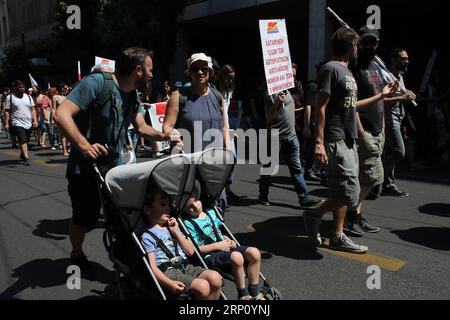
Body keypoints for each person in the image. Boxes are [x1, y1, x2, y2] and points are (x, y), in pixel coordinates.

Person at [53, 47, 179, 277]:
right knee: (84, 218)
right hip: (85, 168)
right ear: (138, 70)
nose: (152, 75)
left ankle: (127, 263)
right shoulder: (97, 84)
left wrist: (162, 136)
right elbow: (61, 114)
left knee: (123, 218)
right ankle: (77, 253)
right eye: (150, 70)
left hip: (115, 169)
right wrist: (84, 146)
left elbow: (141, 127)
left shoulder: (132, 95)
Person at [303, 27, 368, 253]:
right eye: (357, 44)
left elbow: (351, 106)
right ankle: (315, 213)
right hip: (336, 137)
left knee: (340, 190)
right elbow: (321, 107)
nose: (358, 48)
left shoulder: (348, 72)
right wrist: (319, 142)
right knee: (349, 193)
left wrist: (383, 96)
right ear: (352, 46)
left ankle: (337, 235)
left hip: (348, 139)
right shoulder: (331, 69)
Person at [344, 26, 399, 236]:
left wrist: (383, 126)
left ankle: (356, 215)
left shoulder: (377, 67)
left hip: (378, 130)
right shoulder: (355, 68)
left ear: (377, 44)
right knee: (372, 178)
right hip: (364, 131)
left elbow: (380, 99)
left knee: (365, 178)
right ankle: (349, 216)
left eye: (372, 43)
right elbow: (352, 103)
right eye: (364, 43)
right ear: (357, 44)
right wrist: (361, 132)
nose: (369, 46)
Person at [183, 184, 264, 300]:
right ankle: (243, 294)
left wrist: (228, 239)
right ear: (184, 209)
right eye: (190, 206)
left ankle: (254, 291)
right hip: (210, 255)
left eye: (196, 201)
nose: (195, 206)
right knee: (236, 256)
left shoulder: (210, 212)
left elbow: (219, 231)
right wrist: (218, 245)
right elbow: (195, 249)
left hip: (225, 247)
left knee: (254, 252)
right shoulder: (188, 223)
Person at [141, 189, 222, 300]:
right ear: (147, 210)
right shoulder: (148, 236)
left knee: (216, 278)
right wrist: (169, 283)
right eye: (162, 204)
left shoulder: (174, 227)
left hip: (186, 266)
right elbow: (153, 267)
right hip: (169, 271)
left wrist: (176, 232)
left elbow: (190, 252)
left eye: (168, 204)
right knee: (203, 287)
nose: (168, 208)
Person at [257, 86, 323, 209]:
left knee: (296, 169)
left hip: (291, 136)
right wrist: (277, 103)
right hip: (276, 137)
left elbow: (286, 111)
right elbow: (269, 118)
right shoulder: (270, 94)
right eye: (291, 75)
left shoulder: (288, 92)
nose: (292, 77)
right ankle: (263, 195)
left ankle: (304, 198)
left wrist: (297, 118)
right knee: (269, 168)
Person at [381, 48, 416, 197]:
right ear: (393, 60)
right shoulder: (385, 76)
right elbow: (380, 99)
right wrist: (402, 98)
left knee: (390, 151)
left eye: (407, 58)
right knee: (398, 151)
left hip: (399, 118)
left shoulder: (399, 76)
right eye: (403, 58)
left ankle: (388, 184)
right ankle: (377, 176)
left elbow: (401, 93)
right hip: (389, 119)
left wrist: (409, 93)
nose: (406, 61)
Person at [4, 80, 38, 166]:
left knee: (26, 140)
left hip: (28, 122)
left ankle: (23, 154)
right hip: (17, 122)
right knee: (22, 139)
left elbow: (33, 109)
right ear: (15, 88)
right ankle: (26, 158)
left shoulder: (28, 97)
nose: (22, 89)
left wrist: (35, 120)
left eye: (23, 87)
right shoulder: (10, 97)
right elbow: (7, 111)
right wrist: (6, 123)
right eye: (20, 87)